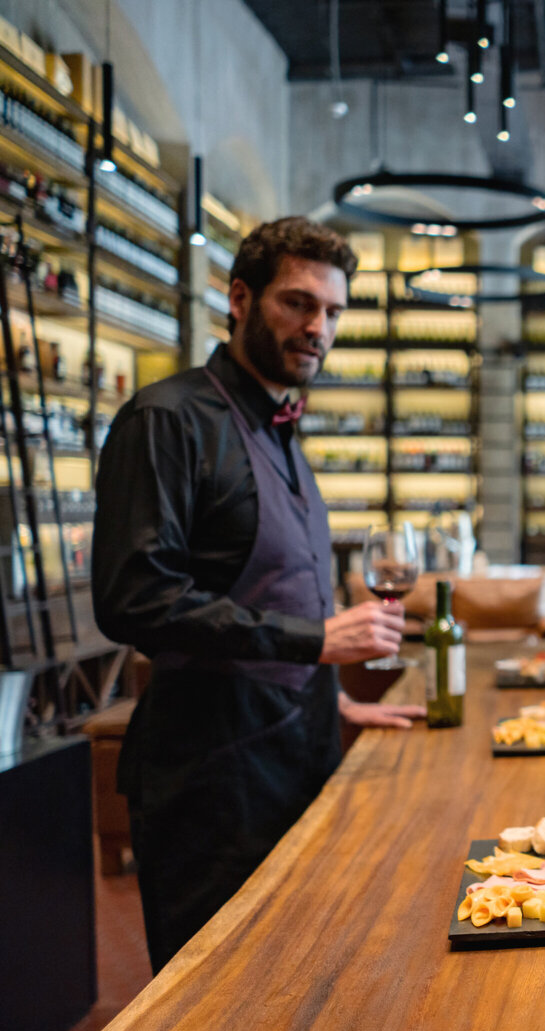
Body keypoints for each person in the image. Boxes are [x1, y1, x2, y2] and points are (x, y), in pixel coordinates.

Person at [92, 217, 424, 972]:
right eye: (298, 303)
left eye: (333, 312)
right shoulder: (167, 419)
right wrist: (318, 643)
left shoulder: (280, 427)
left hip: (297, 752)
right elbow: (133, 598)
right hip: (210, 778)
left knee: (296, 987)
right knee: (215, 1006)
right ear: (239, 298)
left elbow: (273, 586)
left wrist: (323, 694)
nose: (318, 327)